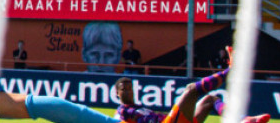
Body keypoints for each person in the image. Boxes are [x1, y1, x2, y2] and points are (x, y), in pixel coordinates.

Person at [114, 50, 271, 123]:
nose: (127, 90)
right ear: (117, 94)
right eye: (123, 89)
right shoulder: (123, 111)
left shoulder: (138, 107)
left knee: (210, 99)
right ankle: (230, 71)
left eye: (129, 87)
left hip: (176, 121)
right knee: (191, 90)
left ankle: (244, 120)